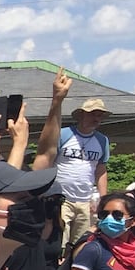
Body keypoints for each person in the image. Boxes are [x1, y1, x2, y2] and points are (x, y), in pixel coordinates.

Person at [52, 96, 111, 246]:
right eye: (92, 114)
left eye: (99, 115)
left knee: (81, 244)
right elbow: (48, 161)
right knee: (59, 242)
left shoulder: (102, 140)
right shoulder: (63, 134)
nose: (96, 118)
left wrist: (103, 200)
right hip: (61, 198)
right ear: (81, 115)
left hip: (85, 200)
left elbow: (101, 170)